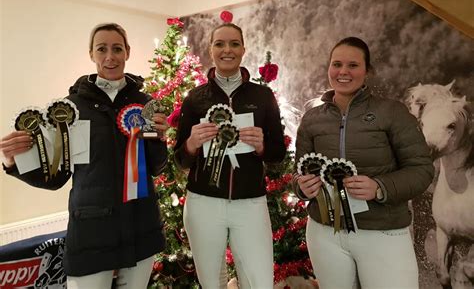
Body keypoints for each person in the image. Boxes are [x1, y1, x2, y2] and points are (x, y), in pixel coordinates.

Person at [0, 23, 169, 289]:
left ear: (127, 52)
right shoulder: (70, 108)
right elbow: (54, 177)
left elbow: (157, 166)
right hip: (91, 232)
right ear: (91, 54)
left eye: (117, 48)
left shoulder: (144, 103)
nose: (110, 56)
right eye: (102, 49)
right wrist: (12, 161)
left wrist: (160, 138)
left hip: (141, 225)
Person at [293, 37, 434, 289]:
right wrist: (302, 187)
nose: (343, 72)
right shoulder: (312, 119)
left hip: (382, 232)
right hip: (325, 233)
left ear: (367, 71)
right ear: (328, 68)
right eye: (337, 64)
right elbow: (298, 173)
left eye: (353, 65)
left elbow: (422, 170)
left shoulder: (393, 112)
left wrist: (380, 187)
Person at [174, 22, 286, 288]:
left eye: (234, 43)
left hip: (250, 203)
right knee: (211, 282)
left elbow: (278, 154)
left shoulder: (263, 96)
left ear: (244, 49)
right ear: (210, 49)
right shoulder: (194, 99)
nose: (227, 50)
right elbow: (179, 159)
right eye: (220, 44)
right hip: (203, 202)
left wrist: (262, 147)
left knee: (259, 281)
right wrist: (191, 144)